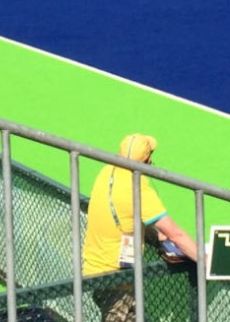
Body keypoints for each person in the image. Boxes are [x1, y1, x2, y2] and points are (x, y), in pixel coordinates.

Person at [82, 134, 199, 321]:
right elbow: (176, 234)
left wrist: (156, 236)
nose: (152, 160)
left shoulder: (106, 171)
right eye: (150, 155)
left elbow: (124, 215)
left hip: (94, 268)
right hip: (118, 277)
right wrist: (206, 261)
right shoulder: (138, 189)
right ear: (145, 161)